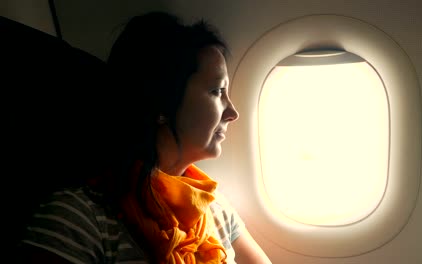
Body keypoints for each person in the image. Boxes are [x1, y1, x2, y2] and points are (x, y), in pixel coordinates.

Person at [18, 11, 272, 264]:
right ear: (161, 103)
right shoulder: (78, 220)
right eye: (217, 91)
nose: (232, 113)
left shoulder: (214, 208)